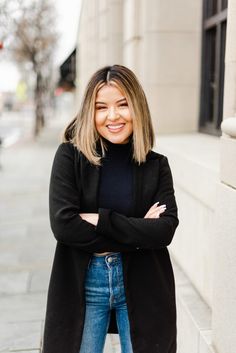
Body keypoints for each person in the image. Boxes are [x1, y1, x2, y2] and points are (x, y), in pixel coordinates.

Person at [42, 64, 179, 353]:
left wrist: (98, 220)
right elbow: (64, 225)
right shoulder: (70, 157)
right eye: (101, 107)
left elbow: (164, 230)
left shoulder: (157, 165)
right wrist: (138, 228)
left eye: (122, 105)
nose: (112, 116)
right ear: (90, 113)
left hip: (144, 283)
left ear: (137, 107)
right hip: (85, 281)